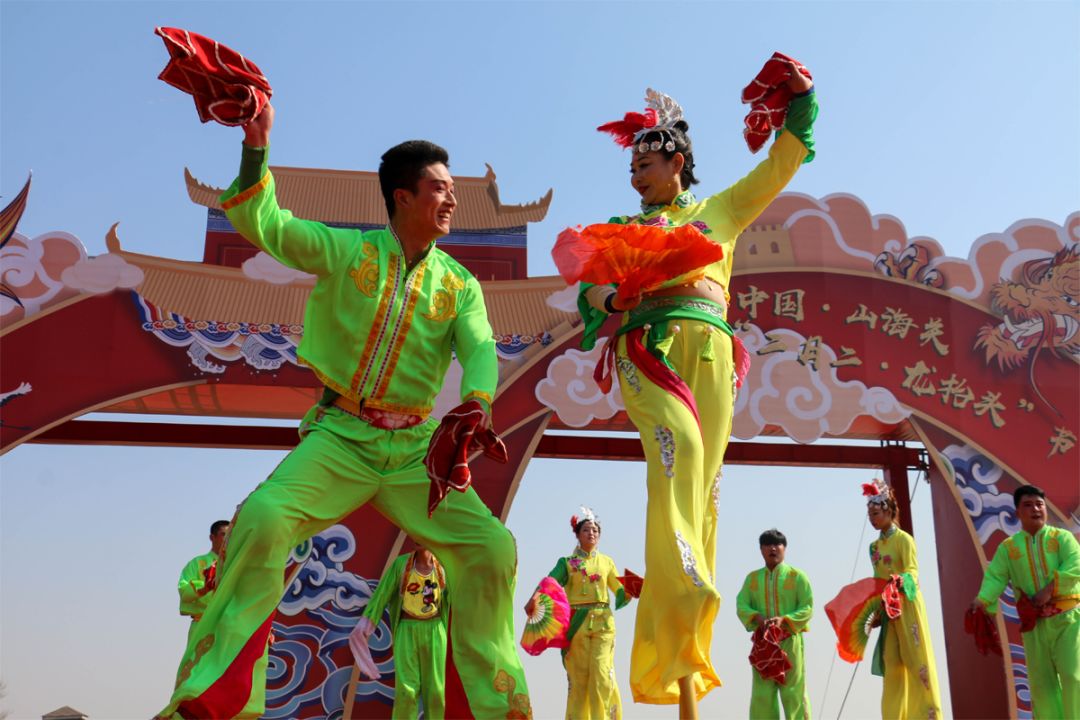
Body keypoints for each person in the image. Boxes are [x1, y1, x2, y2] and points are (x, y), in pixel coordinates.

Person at [162, 102, 530, 719]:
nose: (452, 201)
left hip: (416, 451)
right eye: (440, 188)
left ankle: (493, 705)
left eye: (453, 190)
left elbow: (481, 347)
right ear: (402, 196)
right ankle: (218, 696)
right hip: (341, 436)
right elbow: (264, 221)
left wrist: (478, 401)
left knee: (492, 547)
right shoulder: (346, 251)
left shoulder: (459, 284)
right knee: (263, 517)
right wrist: (256, 148)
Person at [576, 61, 818, 715]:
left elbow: (781, 164)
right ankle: (687, 604)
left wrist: (803, 101)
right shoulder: (625, 229)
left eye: (645, 165)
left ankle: (686, 653)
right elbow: (588, 290)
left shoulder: (721, 212)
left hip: (710, 351)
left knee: (702, 492)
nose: (636, 176)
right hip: (650, 348)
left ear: (676, 159)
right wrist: (611, 292)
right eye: (631, 170)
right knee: (678, 451)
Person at [971, 485, 1079, 718]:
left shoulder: (1062, 538)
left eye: (1039, 504)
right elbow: (996, 576)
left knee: (1073, 676)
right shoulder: (1009, 548)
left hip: (1068, 620)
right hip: (1034, 627)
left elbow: (1076, 564)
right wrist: (982, 600)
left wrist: (1049, 590)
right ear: (1017, 512)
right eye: (1028, 505)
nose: (1035, 509)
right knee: (1042, 687)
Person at [526, 507, 635, 720]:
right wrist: (535, 597)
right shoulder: (566, 563)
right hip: (576, 625)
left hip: (603, 623)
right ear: (577, 534)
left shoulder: (607, 562)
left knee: (602, 675)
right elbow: (551, 582)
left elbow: (618, 590)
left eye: (595, 530)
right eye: (586, 529)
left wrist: (633, 589)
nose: (592, 533)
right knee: (579, 680)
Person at [864, 480, 942, 719]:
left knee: (919, 662)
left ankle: (929, 715)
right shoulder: (874, 547)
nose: (872, 518)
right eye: (869, 514)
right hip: (888, 611)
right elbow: (878, 581)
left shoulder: (904, 540)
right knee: (892, 667)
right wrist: (878, 610)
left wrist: (899, 582)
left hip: (907, 605)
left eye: (876, 513)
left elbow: (913, 573)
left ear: (888, 510)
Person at [353, 544, 449, 719]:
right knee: (407, 691)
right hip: (407, 631)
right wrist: (366, 624)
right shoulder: (401, 565)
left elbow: (459, 599)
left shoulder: (443, 566)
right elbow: (381, 595)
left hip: (435, 631)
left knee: (436, 692)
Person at [735, 528, 813, 719]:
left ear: (785, 548)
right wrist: (757, 617)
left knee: (793, 692)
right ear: (761, 550)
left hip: (789, 641)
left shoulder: (797, 576)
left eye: (777, 544)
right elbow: (741, 604)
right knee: (763, 695)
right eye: (768, 544)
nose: (773, 548)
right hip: (764, 643)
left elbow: (807, 607)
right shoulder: (752, 579)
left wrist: (784, 619)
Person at [177, 520, 230, 646]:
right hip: (202, 625)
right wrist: (205, 587)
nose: (227, 538)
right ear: (212, 537)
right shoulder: (196, 564)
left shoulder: (235, 564)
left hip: (229, 626)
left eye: (230, 535)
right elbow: (184, 590)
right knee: (197, 664)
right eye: (223, 534)